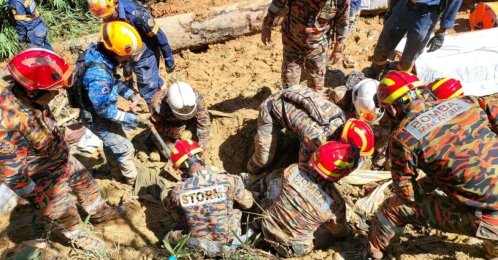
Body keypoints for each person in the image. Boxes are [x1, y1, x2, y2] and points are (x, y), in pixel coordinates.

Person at [367, 70, 498, 259]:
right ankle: (492, 250)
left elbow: (408, 195)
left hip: (491, 220)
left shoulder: (404, 137)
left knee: (393, 208)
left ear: (393, 109)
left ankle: (375, 254)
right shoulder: (468, 102)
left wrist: (434, 181)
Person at [0, 48, 122, 251]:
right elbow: (14, 176)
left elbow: (40, 125)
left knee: (87, 184)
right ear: (32, 91)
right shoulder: (7, 124)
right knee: (64, 212)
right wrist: (41, 202)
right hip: (43, 176)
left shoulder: (32, 97)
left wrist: (63, 133)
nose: (57, 94)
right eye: (53, 91)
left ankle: (100, 213)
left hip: (61, 156)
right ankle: (79, 236)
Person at [253, 141, 359, 257]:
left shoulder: (294, 169)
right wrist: (350, 231)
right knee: (330, 234)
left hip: (266, 225)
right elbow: (339, 231)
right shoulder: (336, 204)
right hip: (290, 248)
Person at [75, 21, 151, 185]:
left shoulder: (98, 56)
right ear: (115, 51)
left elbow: (114, 82)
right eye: (128, 55)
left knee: (112, 143)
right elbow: (103, 110)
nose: (130, 58)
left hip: (99, 111)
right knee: (124, 148)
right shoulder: (98, 75)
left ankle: (116, 174)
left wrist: (132, 96)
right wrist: (132, 119)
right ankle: (132, 182)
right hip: (96, 117)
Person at [164, 140, 254, 257]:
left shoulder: (177, 191)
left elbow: (171, 207)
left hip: (199, 246)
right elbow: (248, 204)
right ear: (203, 156)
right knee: (237, 204)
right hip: (230, 242)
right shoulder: (229, 180)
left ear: (179, 170)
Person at [87, 0, 175, 104]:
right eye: (103, 17)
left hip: (145, 55)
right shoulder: (107, 14)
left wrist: (168, 59)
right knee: (150, 77)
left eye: (109, 15)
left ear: (115, 4)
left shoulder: (136, 15)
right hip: (128, 54)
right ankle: (159, 85)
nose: (107, 19)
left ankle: (156, 112)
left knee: (147, 90)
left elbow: (159, 35)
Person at [246, 85, 346, 176]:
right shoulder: (315, 138)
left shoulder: (341, 119)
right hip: (271, 109)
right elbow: (302, 168)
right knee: (262, 159)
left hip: (297, 92)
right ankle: (250, 173)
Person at [261, 0, 350, 91]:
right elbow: (278, 2)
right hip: (292, 43)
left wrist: (338, 49)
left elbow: (343, 23)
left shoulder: (340, 1)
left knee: (316, 89)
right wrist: (267, 25)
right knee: (289, 88)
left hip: (318, 48)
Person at [368, 0, 463, 79]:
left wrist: (442, 32)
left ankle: (397, 81)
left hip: (426, 15)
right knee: (381, 48)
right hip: (403, 7)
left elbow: (454, 2)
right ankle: (374, 74)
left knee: (408, 59)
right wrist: (392, 8)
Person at [150, 81, 211, 149]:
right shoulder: (158, 106)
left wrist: (202, 143)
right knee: (171, 151)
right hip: (170, 124)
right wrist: (178, 133)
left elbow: (204, 121)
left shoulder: (195, 96)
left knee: (207, 134)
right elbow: (155, 127)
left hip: (188, 122)